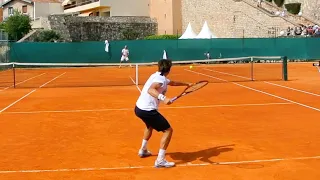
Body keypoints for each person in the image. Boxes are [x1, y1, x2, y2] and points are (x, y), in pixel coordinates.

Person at [134, 59, 192, 168]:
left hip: (138, 108)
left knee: (149, 126)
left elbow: (172, 82)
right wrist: (164, 98)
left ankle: (143, 150)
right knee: (168, 130)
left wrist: (186, 84)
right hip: (148, 110)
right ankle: (160, 160)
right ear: (169, 69)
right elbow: (151, 90)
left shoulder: (157, 75)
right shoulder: (160, 80)